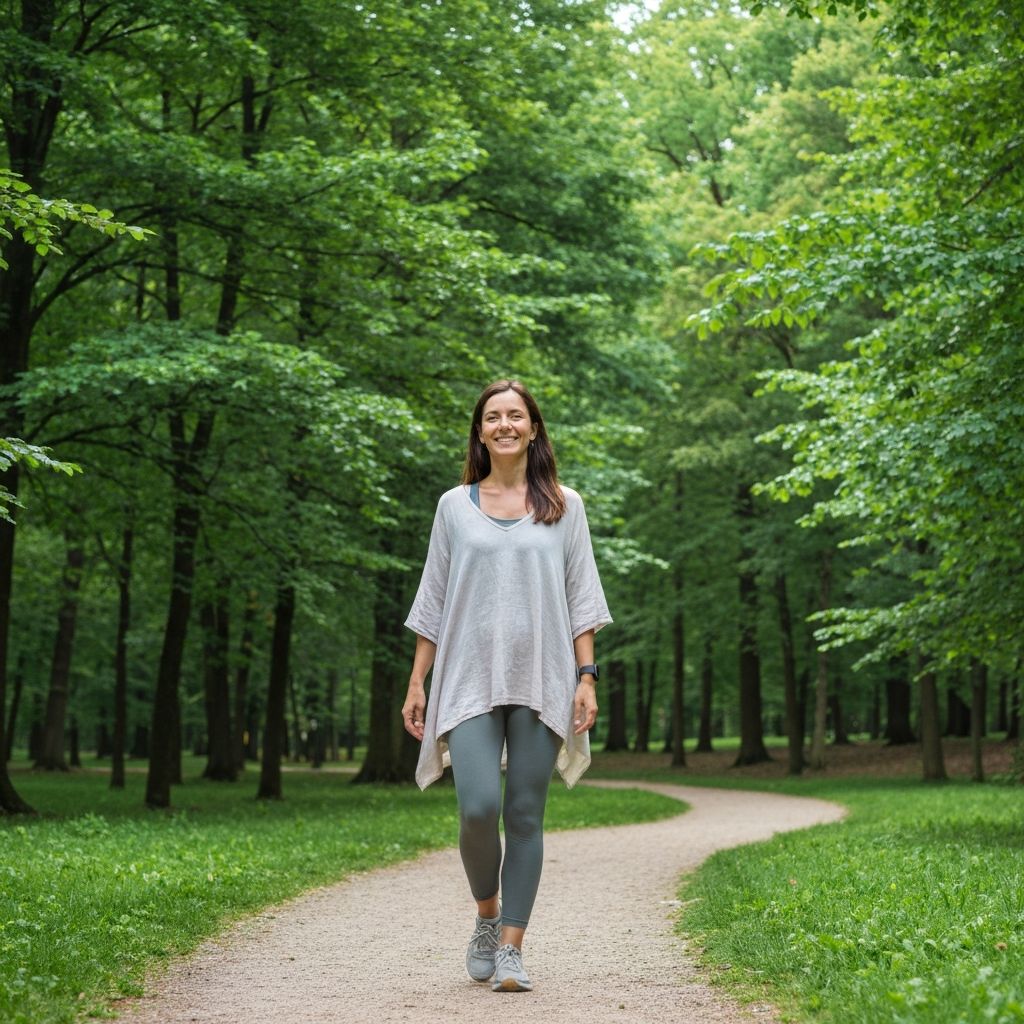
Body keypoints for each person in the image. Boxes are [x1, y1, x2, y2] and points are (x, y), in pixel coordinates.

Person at [401, 379, 611, 993]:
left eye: (515, 416)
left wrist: (586, 678)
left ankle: (513, 948)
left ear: (534, 428)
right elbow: (433, 600)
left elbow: (582, 600)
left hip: (543, 677)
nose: (505, 425)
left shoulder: (565, 506)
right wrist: (417, 680)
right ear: (480, 431)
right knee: (477, 810)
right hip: (466, 676)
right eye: (493, 417)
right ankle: (487, 915)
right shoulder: (452, 506)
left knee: (523, 813)